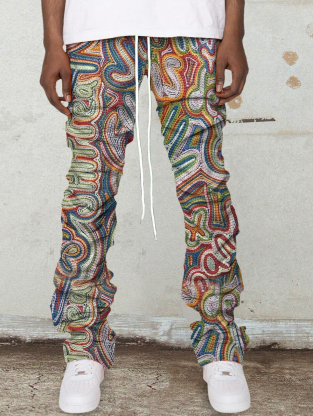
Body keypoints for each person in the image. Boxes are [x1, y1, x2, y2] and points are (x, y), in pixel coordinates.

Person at [40, 0, 250, 413]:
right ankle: (84, 348)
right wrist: (52, 42)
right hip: (96, 30)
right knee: (88, 196)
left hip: (192, 27)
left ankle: (221, 346)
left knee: (205, 191)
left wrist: (234, 33)